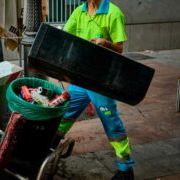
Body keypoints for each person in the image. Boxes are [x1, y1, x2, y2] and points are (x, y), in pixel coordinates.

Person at [55, 0, 135, 179]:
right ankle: (50, 146)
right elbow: (66, 37)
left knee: (111, 122)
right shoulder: (79, 12)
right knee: (64, 111)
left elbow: (120, 48)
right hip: (81, 78)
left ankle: (126, 169)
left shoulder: (113, 13)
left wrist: (105, 43)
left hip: (102, 81)